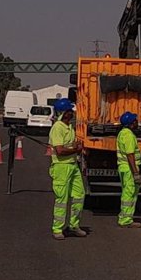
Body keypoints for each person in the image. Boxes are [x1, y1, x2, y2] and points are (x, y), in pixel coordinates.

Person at [48, 98, 86, 240]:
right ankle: (57, 228)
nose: (73, 113)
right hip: (61, 166)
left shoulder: (69, 127)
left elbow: (70, 146)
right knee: (61, 199)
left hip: (72, 165)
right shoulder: (58, 128)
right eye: (70, 111)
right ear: (64, 112)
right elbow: (59, 151)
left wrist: (76, 148)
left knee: (79, 195)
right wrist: (75, 150)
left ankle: (74, 225)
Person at [117, 111, 141, 228]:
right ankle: (125, 219)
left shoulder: (122, 133)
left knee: (127, 192)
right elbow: (130, 155)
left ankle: (126, 217)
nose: (137, 122)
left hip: (124, 167)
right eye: (135, 121)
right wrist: (136, 173)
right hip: (129, 168)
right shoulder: (128, 135)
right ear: (131, 123)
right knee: (129, 193)